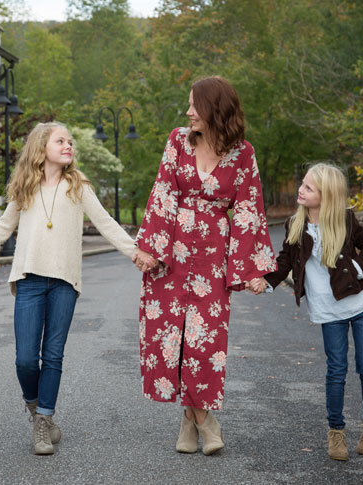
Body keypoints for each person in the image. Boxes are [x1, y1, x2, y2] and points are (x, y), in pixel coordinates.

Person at [0, 121, 153, 455]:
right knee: (26, 359)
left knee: (53, 355)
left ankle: (43, 421)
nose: (69, 145)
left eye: (70, 141)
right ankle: (34, 405)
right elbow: (3, 226)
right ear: (41, 147)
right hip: (29, 280)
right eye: (61, 141)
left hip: (64, 283)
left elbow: (105, 223)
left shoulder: (79, 185)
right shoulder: (25, 187)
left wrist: (136, 252)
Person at [134, 76, 276, 455]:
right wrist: (149, 247)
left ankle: (194, 418)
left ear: (215, 108)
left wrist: (253, 268)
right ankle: (202, 420)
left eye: (195, 105)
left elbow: (249, 209)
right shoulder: (177, 141)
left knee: (204, 339)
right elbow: (163, 191)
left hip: (214, 253)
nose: (188, 111)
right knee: (170, 339)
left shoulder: (243, 154)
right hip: (171, 252)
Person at [248, 163, 363, 461]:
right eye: (303, 183)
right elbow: (284, 261)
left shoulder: (345, 220)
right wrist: (265, 281)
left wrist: (359, 268)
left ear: (327, 195)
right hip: (327, 309)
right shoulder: (295, 224)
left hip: (361, 304)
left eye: (309, 188)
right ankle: (336, 432)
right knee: (336, 370)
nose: (301, 189)